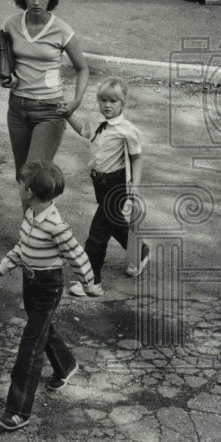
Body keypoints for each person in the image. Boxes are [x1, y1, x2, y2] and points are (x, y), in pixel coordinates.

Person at [0, 161, 99, 432]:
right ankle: (66, 364)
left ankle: (18, 410)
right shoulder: (31, 215)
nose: (19, 186)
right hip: (31, 282)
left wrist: (89, 283)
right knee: (41, 329)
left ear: (29, 192)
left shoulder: (55, 226)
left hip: (48, 286)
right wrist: (1, 269)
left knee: (30, 349)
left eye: (20, 183)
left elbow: (76, 254)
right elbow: (22, 247)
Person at [0, 0, 90, 184]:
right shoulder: (10, 25)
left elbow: (83, 68)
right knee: (22, 177)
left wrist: (75, 102)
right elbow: (4, 63)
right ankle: (30, 219)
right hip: (17, 108)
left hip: (49, 111)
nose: (37, 2)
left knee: (34, 176)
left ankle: (41, 218)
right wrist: (7, 79)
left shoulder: (61, 29)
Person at [63, 78, 151, 294]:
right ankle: (140, 252)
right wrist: (67, 115)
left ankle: (91, 281)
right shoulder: (95, 120)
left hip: (117, 185)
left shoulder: (127, 130)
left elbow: (137, 158)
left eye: (113, 101)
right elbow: (84, 131)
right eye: (103, 100)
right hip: (98, 182)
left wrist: (134, 186)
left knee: (97, 234)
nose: (107, 105)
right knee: (114, 223)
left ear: (123, 103)